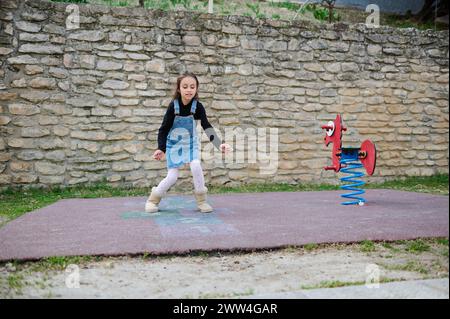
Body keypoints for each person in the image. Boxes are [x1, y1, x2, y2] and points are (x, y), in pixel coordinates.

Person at [145, 73, 231, 213]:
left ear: (196, 89)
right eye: (185, 86)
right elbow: (164, 128)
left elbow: (206, 126)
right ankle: (152, 201)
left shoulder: (198, 107)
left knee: (196, 165)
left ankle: (202, 201)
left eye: (192, 86)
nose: (189, 89)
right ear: (179, 89)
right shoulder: (173, 106)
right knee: (172, 177)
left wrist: (219, 144)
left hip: (191, 144)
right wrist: (161, 148)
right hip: (174, 144)